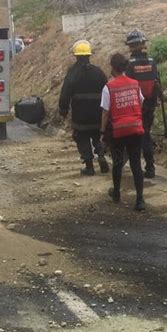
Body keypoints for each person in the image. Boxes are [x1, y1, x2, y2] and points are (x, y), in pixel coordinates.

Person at [100, 52, 146, 211]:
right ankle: (140, 200)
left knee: (118, 163)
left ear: (113, 68)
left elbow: (106, 112)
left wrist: (101, 132)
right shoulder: (134, 83)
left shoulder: (109, 87)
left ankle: (117, 193)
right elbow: (140, 101)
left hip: (119, 132)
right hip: (136, 129)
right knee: (136, 165)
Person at [59, 40, 109, 176]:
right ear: (89, 55)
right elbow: (108, 90)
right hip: (98, 114)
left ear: (76, 56)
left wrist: (63, 110)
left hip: (80, 115)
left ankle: (89, 166)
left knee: (82, 138)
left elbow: (65, 93)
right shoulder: (99, 72)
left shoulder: (72, 73)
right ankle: (101, 155)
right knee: (97, 136)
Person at [125, 30, 160, 178]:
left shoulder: (129, 65)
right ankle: (149, 166)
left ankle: (142, 167)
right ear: (143, 44)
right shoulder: (152, 63)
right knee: (146, 133)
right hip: (149, 106)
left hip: (134, 107)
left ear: (130, 46)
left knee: (137, 136)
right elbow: (157, 84)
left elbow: (126, 86)